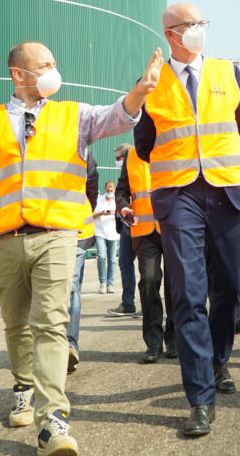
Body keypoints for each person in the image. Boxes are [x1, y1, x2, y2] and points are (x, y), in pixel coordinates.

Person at [0, 40, 162, 456]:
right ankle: (23, 385)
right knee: (16, 325)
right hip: (4, 238)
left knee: (50, 324)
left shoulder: (74, 114)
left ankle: (53, 423)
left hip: (58, 233)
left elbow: (116, 117)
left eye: (53, 63)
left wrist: (142, 89)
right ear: (18, 75)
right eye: (44, 65)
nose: (53, 70)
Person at [134, 2, 240, 436]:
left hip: (225, 190)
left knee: (230, 287)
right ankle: (200, 398)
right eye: (191, 24)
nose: (199, 30)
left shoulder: (228, 71)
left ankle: (220, 359)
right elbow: (144, 143)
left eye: (203, 23)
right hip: (178, 193)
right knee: (187, 293)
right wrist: (182, 161)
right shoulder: (151, 81)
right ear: (171, 33)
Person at [117, 145, 176, 363]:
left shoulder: (174, 145)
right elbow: (122, 190)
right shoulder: (132, 154)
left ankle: (174, 339)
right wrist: (123, 207)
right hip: (144, 230)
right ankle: (153, 342)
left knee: (174, 283)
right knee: (150, 281)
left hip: (172, 226)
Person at [66, 153, 100, 374]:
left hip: (75, 229)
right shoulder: (84, 153)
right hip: (67, 226)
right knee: (71, 288)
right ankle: (64, 344)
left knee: (71, 287)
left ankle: (69, 345)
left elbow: (92, 193)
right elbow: (92, 193)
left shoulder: (84, 155)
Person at [107, 144, 140, 317]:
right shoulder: (122, 174)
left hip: (139, 223)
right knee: (125, 263)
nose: (117, 161)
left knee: (146, 266)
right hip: (126, 224)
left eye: (119, 157)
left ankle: (148, 303)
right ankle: (128, 303)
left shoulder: (138, 166)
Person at [92, 181, 119, 294]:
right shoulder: (99, 200)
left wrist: (114, 213)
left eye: (111, 190)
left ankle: (110, 283)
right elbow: (92, 215)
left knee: (112, 259)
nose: (109, 192)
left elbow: (122, 215)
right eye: (107, 190)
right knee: (101, 257)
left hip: (113, 233)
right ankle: (102, 282)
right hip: (100, 232)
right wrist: (101, 213)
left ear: (114, 190)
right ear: (104, 189)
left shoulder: (117, 201)